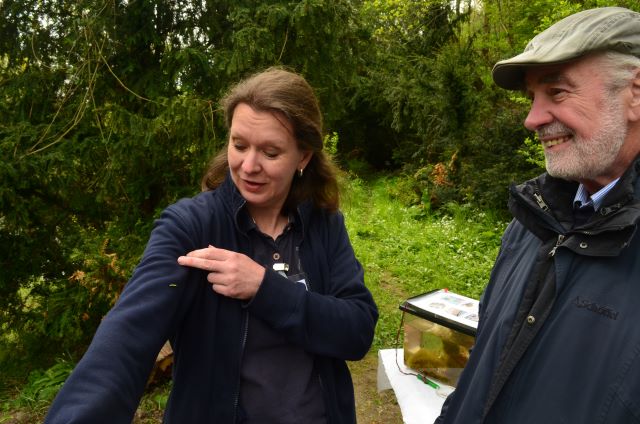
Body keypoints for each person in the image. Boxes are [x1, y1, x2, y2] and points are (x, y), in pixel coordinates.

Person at [45, 67, 379, 423]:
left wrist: (264, 288)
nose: (248, 166)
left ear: (304, 157)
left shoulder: (323, 225)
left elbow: (356, 331)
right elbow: (127, 335)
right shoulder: (191, 228)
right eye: (239, 145)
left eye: (270, 152)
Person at [436, 6, 640, 424]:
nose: (532, 119)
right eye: (532, 98)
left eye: (558, 92)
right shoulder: (532, 221)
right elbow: (481, 368)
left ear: (635, 93)